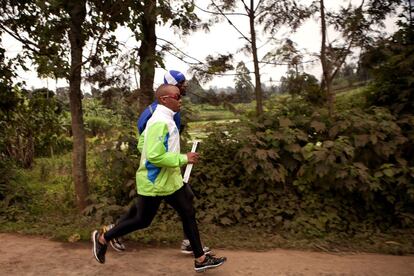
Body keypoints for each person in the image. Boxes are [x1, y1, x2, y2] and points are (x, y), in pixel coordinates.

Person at [92, 84, 227, 272]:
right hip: (154, 182)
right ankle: (103, 237)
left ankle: (200, 259)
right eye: (177, 96)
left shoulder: (164, 119)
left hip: (170, 181)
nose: (181, 100)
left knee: (188, 211)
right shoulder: (159, 122)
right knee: (142, 220)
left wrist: (166, 154)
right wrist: (183, 158)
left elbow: (142, 145)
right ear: (164, 99)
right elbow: (154, 156)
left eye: (181, 97)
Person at [103, 70, 210, 255]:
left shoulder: (173, 108)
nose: (185, 87)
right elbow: (147, 145)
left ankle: (192, 246)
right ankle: (111, 233)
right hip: (156, 171)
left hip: (168, 171)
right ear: (169, 93)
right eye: (181, 84)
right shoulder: (155, 113)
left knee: (183, 204)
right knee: (143, 215)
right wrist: (175, 158)